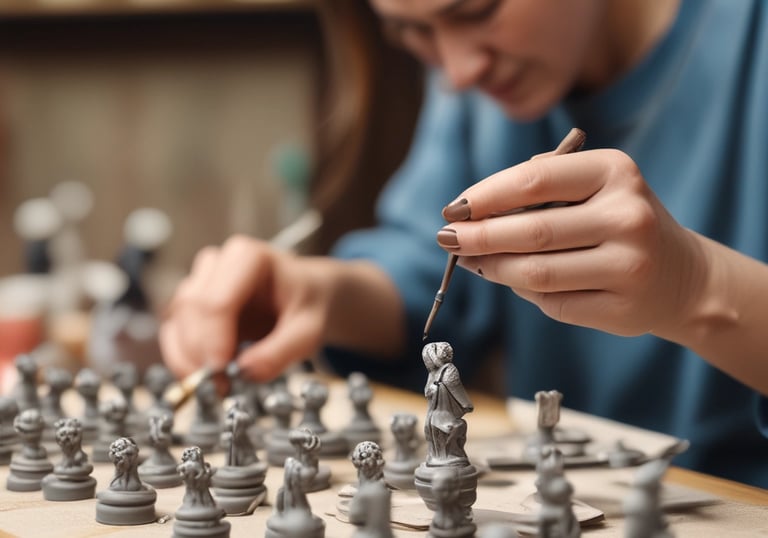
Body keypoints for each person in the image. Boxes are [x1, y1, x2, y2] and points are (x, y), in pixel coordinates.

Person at [161, 0, 768, 488]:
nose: (456, 72)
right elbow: (425, 271)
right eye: (412, 34)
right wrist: (318, 291)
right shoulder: (483, 81)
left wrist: (697, 286)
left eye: (475, 11)